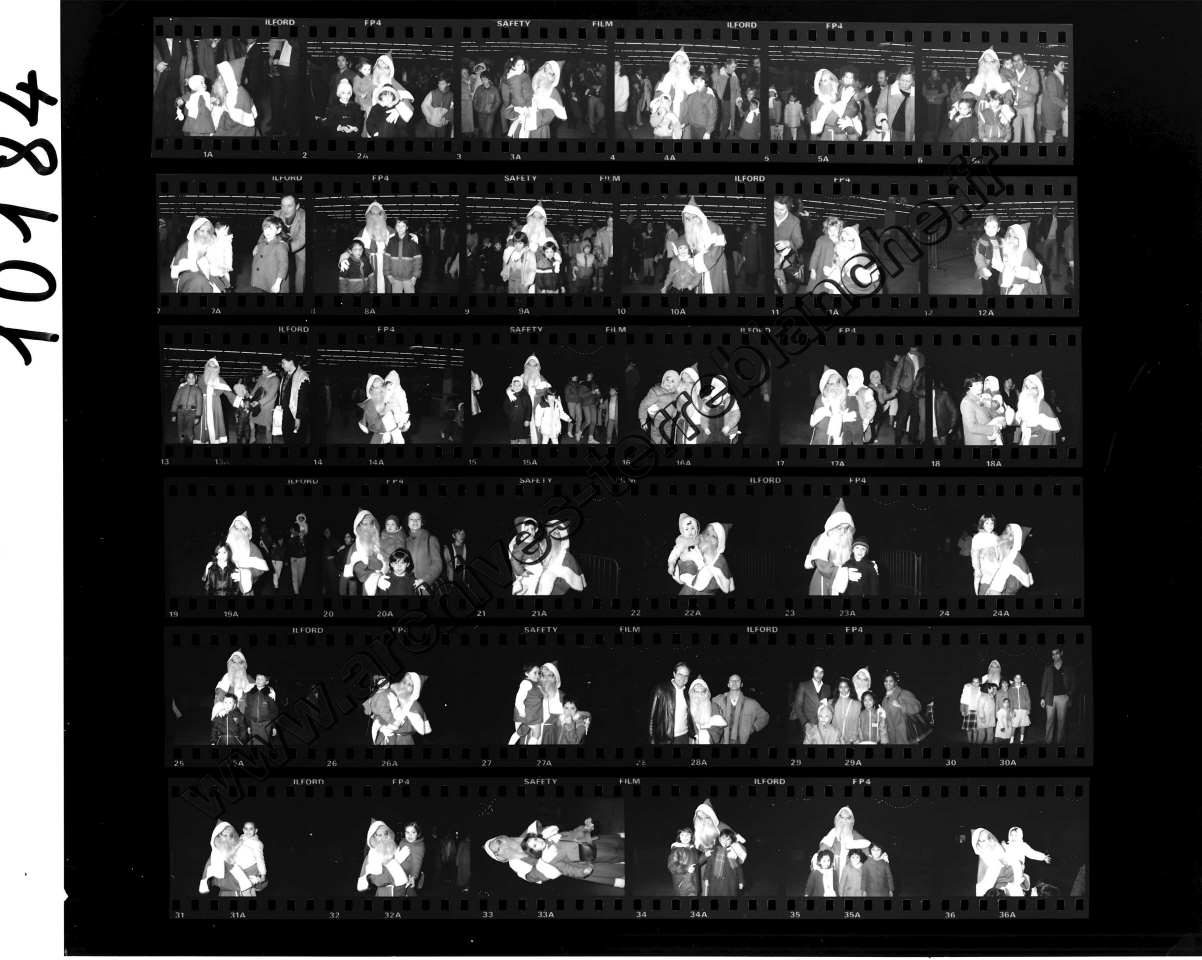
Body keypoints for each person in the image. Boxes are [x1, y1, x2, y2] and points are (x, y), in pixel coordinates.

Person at [805, 499, 857, 595]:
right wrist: (844, 574)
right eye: (839, 528)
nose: (843, 532)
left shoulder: (847, 539)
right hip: (824, 579)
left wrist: (866, 565)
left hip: (843, 581)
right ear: (832, 527)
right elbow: (821, 564)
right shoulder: (822, 539)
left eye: (846, 528)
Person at [200, 822, 267, 896]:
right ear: (217, 837)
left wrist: (259, 876)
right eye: (225, 835)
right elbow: (216, 879)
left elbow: (260, 883)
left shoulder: (243, 845)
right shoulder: (216, 857)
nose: (228, 838)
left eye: (231, 835)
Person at [889, 345, 925, 445]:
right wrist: (894, 387)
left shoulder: (922, 357)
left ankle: (912, 436)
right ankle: (898, 436)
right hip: (906, 389)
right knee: (902, 415)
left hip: (918, 390)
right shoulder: (904, 358)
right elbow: (897, 373)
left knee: (916, 415)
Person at [650, 662, 693, 744]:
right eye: (680, 674)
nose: (683, 678)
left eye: (686, 676)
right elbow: (651, 718)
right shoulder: (661, 690)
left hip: (685, 737)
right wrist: (652, 741)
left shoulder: (688, 692)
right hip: (666, 739)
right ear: (674, 674)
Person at [1040, 648, 1076, 744]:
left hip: (1063, 697)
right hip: (1049, 697)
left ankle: (1061, 743)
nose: (1055, 656)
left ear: (1061, 653)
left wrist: (1069, 695)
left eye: (1057, 653)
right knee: (1049, 720)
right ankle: (1047, 742)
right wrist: (1042, 697)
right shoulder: (1048, 668)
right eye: (1053, 654)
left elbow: (1073, 683)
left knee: (1061, 721)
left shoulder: (1068, 667)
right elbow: (1044, 683)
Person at [403, 511, 443, 594]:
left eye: (418, 519)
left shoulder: (431, 539)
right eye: (411, 519)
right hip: (407, 587)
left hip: (424, 588)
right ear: (408, 523)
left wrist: (426, 580)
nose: (415, 521)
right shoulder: (404, 541)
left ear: (422, 523)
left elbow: (437, 564)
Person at [874, 66, 915, 141]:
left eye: (908, 81)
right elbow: (880, 107)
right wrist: (883, 121)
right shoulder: (888, 89)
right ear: (898, 77)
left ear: (913, 81)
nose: (904, 83)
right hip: (891, 131)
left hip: (909, 133)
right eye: (902, 80)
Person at [881, 671, 923, 743]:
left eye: (891, 681)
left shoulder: (903, 693)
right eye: (886, 681)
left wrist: (900, 706)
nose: (888, 684)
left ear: (895, 682)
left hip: (904, 735)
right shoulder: (884, 699)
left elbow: (917, 706)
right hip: (891, 737)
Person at [793, 664, 833, 741]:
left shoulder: (827, 687)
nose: (819, 675)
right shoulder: (803, 685)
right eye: (816, 671)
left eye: (821, 672)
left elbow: (828, 706)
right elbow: (798, 706)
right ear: (812, 672)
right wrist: (805, 723)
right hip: (808, 724)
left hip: (823, 724)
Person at [703, 829, 746, 895]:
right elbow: (709, 865)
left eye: (728, 839)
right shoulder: (713, 850)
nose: (725, 841)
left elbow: (739, 868)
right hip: (715, 882)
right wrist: (706, 878)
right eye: (723, 838)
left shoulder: (733, 853)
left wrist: (741, 881)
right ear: (719, 839)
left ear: (731, 841)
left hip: (730, 882)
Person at [1010, 54, 1039, 143]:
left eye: (1019, 60)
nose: (1017, 63)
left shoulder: (1032, 72)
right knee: (1015, 133)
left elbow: (1035, 90)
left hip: (1028, 106)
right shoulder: (1011, 72)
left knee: (1029, 132)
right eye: (1014, 61)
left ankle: (1031, 151)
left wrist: (1019, 85)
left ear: (1024, 60)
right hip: (1015, 107)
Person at [973, 214, 1005, 297]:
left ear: (998, 229)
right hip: (987, 269)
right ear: (984, 227)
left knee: (997, 289)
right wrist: (983, 268)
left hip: (999, 269)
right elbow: (979, 257)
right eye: (988, 226)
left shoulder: (1001, 240)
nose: (991, 229)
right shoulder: (981, 242)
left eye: (994, 227)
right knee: (988, 291)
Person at [667, 828, 701, 896]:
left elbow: (697, 863)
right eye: (682, 835)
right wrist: (686, 868)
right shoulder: (676, 850)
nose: (685, 837)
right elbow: (671, 865)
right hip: (683, 887)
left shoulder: (693, 849)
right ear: (679, 837)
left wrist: (705, 856)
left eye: (687, 834)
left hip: (694, 885)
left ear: (691, 836)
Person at [170, 372, 202, 443]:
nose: (191, 380)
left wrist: (197, 417)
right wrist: (173, 413)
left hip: (191, 412)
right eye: (189, 378)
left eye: (193, 378)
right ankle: (182, 441)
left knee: (189, 431)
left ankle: (190, 441)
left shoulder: (198, 390)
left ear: (196, 378)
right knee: (181, 430)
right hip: (181, 412)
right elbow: (175, 400)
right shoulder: (181, 388)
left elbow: (199, 404)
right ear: (186, 378)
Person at [420, 72, 454, 138]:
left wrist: (446, 117)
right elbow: (423, 106)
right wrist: (429, 116)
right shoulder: (432, 93)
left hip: (442, 123)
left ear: (448, 84)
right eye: (439, 83)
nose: (440, 86)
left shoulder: (451, 95)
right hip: (431, 123)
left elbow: (451, 108)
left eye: (443, 83)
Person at [1042, 60, 1067, 143]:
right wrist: (1066, 105)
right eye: (1061, 65)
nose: (1064, 66)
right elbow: (1053, 97)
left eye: (1064, 64)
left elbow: (1060, 94)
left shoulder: (1059, 76)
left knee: (1052, 132)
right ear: (1055, 66)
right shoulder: (1051, 78)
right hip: (1050, 108)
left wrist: (1065, 99)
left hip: (1055, 107)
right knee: (1050, 132)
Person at [921, 69, 948, 141]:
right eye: (932, 72)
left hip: (938, 103)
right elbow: (923, 92)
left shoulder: (942, 82)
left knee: (937, 119)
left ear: (938, 73)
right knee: (930, 119)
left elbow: (946, 92)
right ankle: (932, 131)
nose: (933, 73)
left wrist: (937, 96)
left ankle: (936, 136)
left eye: (935, 72)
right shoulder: (926, 81)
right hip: (929, 102)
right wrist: (926, 96)